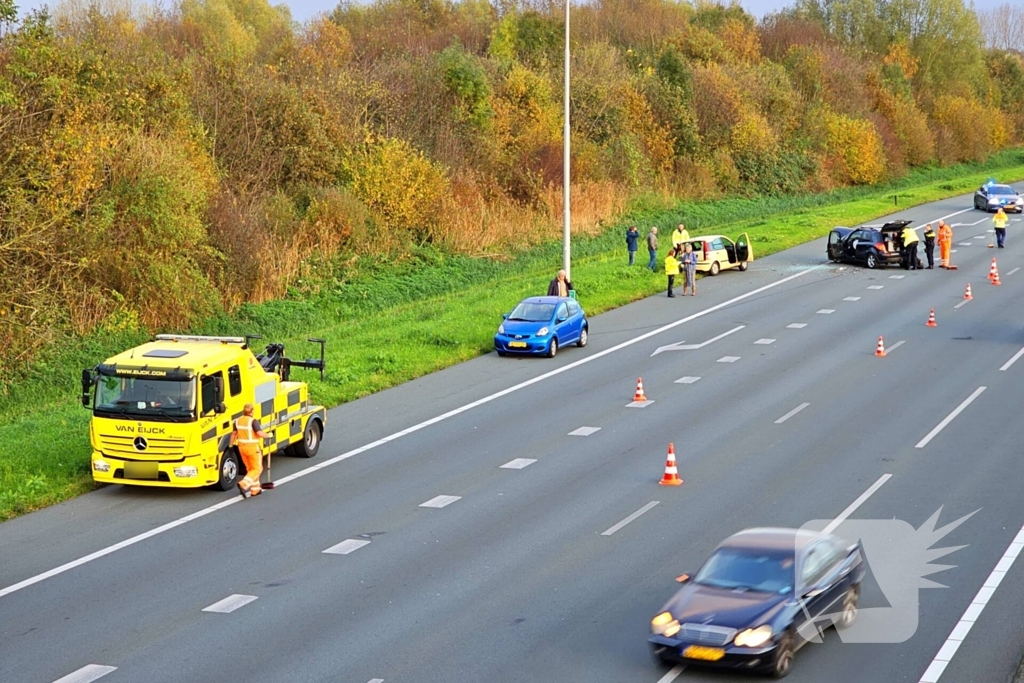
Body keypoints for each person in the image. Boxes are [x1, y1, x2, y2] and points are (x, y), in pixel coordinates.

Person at [231, 403, 269, 498]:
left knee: (250, 469)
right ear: (252, 411)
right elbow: (259, 433)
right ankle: (243, 484)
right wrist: (268, 435)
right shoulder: (253, 421)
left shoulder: (237, 421)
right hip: (252, 448)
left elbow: (233, 434)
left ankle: (255, 490)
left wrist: (230, 445)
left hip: (242, 448)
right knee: (257, 468)